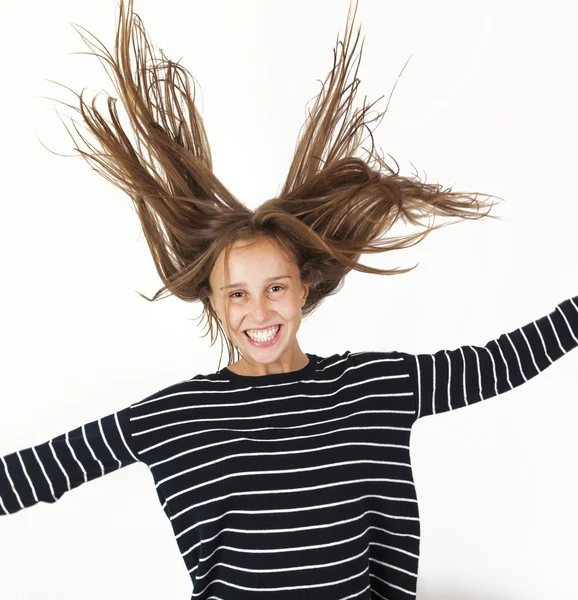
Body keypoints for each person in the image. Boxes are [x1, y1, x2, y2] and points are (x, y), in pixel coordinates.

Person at [1, 0, 577, 598]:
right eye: (238, 294)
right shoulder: (176, 417)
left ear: (304, 289)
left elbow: (496, 364)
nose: (259, 312)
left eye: (275, 288)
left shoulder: (369, 387)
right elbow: (36, 473)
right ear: (217, 305)